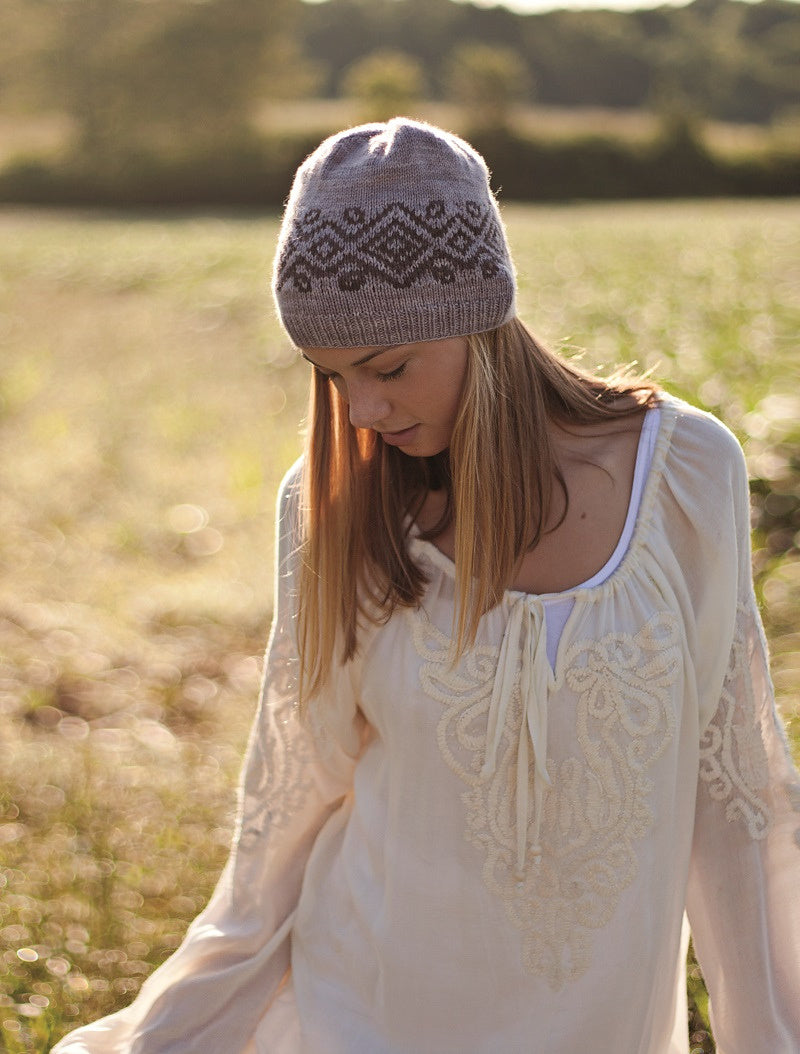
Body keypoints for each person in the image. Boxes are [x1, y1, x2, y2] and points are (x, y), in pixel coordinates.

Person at [54, 119, 799, 1054]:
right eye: (330, 377)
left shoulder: (685, 473)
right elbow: (290, 803)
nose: (362, 410)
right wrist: (174, 1029)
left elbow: (738, 795)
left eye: (389, 367)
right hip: (365, 1012)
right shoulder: (335, 506)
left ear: (480, 318)